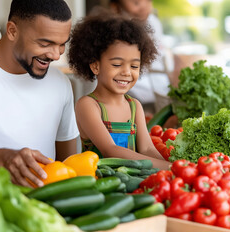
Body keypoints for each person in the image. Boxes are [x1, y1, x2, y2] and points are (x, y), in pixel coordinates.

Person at [0, 0, 79, 188]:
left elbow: (68, 166)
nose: (55, 55)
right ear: (12, 31)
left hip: (38, 212)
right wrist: (5, 160)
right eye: (45, 43)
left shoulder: (60, 84)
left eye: (61, 44)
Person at [68, 13, 169, 170]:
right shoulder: (88, 105)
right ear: (95, 66)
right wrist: (168, 167)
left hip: (134, 184)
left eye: (134, 66)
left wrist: (175, 168)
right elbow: (110, 150)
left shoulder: (135, 106)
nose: (127, 72)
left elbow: (147, 149)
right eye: (116, 64)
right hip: (101, 185)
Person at [109, 0, 171, 106]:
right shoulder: (113, 30)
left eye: (148, 1)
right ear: (115, 7)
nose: (144, 7)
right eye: (136, 3)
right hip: (136, 87)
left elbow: (160, 57)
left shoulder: (153, 22)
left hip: (159, 84)